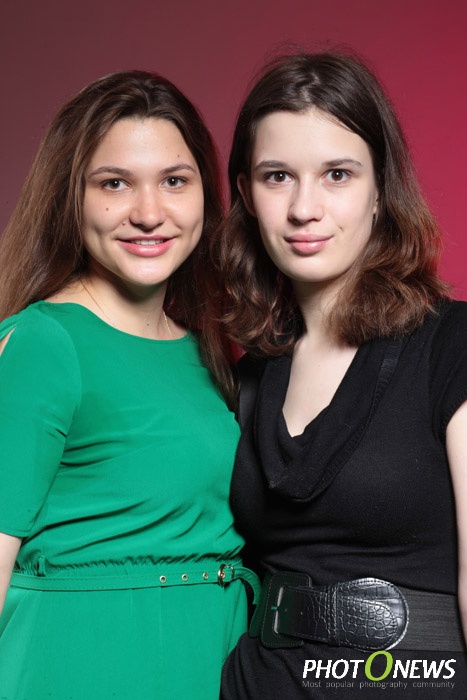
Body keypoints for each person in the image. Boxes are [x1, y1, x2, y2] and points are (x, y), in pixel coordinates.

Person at [214, 52, 467, 698]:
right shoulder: (250, 374)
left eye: (337, 174)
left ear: (380, 189)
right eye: (277, 176)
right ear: (246, 194)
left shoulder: (452, 344)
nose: (305, 208)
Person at [0, 70, 256, 700]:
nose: (148, 213)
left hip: (210, 666)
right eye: (114, 183)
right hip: (77, 668)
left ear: (205, 195)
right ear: (72, 197)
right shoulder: (44, 343)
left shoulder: (209, 352)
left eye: (175, 181)